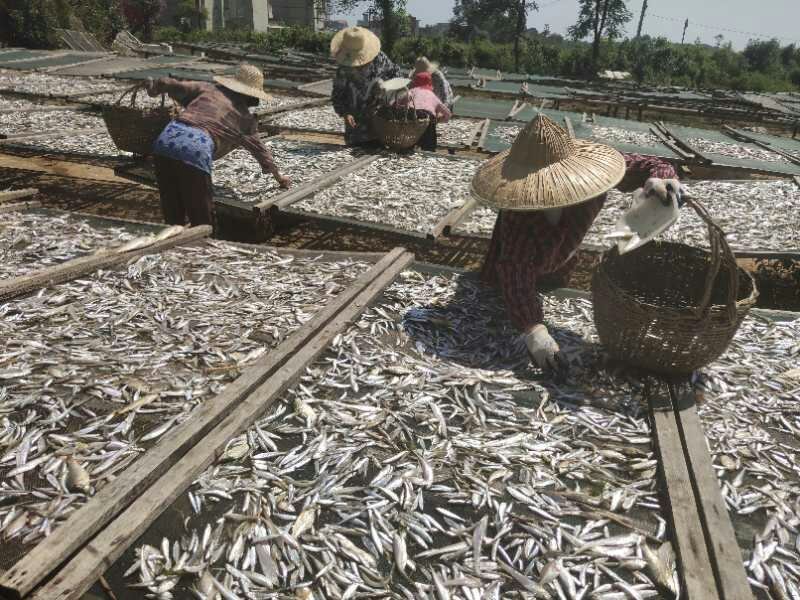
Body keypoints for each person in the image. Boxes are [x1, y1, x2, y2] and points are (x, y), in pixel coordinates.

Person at [471, 114, 682, 375]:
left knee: (556, 279)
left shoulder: (596, 174)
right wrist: (534, 329)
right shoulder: (520, 215)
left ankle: (552, 280)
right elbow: (514, 270)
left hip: (562, 260)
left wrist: (661, 178)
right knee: (500, 299)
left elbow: (648, 164)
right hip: (512, 278)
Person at [144, 64, 290, 228]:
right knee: (201, 217)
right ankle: (200, 245)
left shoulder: (209, 89)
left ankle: (172, 243)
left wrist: (153, 89)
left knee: (173, 211)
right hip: (194, 149)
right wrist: (280, 178)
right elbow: (262, 153)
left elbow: (171, 84)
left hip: (164, 141)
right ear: (251, 96)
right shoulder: (244, 118)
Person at [331, 26, 401, 146]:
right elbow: (337, 96)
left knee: (379, 152)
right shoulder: (344, 68)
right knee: (356, 152)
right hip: (355, 130)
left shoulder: (379, 58)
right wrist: (345, 113)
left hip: (380, 122)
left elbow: (396, 74)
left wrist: (386, 87)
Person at [397, 72, 451, 151]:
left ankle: (407, 148)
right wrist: (438, 120)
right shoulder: (432, 95)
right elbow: (447, 114)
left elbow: (399, 102)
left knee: (407, 146)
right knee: (429, 148)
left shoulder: (412, 91)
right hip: (427, 119)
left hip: (412, 115)